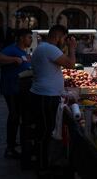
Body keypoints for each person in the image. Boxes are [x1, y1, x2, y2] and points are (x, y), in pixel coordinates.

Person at [29, 25, 76, 175]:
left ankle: (42, 161)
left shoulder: (43, 48)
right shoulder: (49, 48)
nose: (64, 41)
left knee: (44, 129)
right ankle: (42, 166)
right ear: (58, 36)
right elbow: (71, 64)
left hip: (44, 95)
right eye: (64, 38)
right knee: (45, 131)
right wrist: (72, 47)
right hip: (46, 96)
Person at [0, 29, 32, 159]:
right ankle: (10, 148)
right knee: (14, 116)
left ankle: (14, 143)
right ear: (21, 38)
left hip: (20, 89)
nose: (30, 40)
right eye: (28, 37)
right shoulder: (12, 49)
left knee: (17, 116)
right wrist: (14, 59)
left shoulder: (23, 52)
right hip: (11, 89)